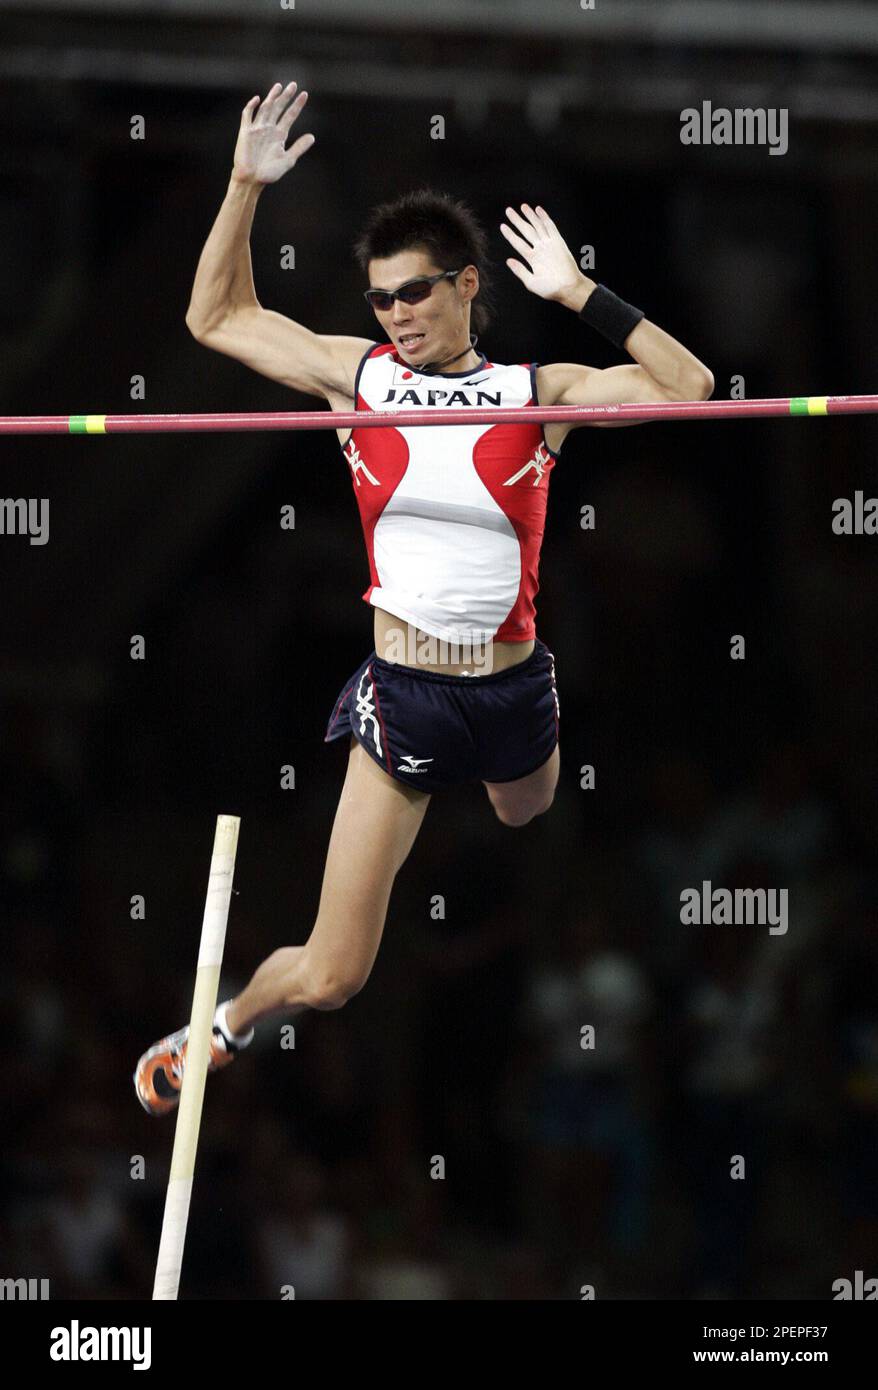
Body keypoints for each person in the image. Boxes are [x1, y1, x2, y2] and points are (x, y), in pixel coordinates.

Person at [135, 81, 713, 1114]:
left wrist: (581, 294)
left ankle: (503, 769)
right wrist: (243, 187)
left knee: (523, 808)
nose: (396, 315)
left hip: (511, 688)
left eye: (413, 293)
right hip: (404, 699)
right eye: (380, 300)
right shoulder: (358, 381)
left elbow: (690, 388)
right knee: (332, 977)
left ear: (465, 285)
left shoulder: (534, 394)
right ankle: (222, 1025)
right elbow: (214, 316)